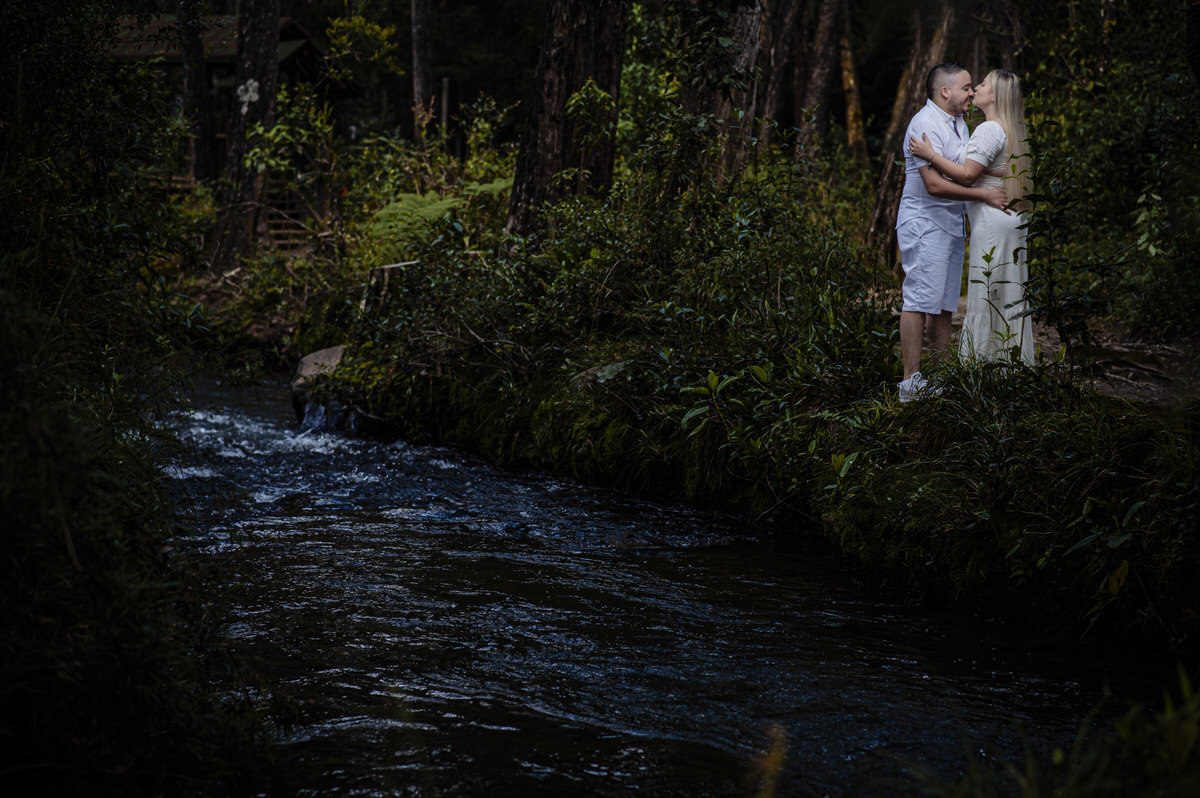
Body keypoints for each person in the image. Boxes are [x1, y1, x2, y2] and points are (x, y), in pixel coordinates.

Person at [895, 63, 1008, 402]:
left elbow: (965, 169)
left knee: (943, 305)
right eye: (967, 87)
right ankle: (910, 383)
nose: (971, 93)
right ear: (945, 91)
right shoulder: (924, 124)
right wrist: (984, 195)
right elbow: (933, 185)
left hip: (949, 226)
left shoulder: (959, 122)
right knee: (917, 299)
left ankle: (942, 376)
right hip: (923, 224)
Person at [910, 68, 1034, 365]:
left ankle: (980, 368)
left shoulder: (989, 129)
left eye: (982, 84)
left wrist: (930, 155)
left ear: (995, 96)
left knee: (986, 296)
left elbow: (966, 175)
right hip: (1007, 221)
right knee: (1007, 297)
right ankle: (1010, 368)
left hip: (992, 221)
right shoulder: (1008, 129)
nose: (975, 88)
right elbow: (994, 170)